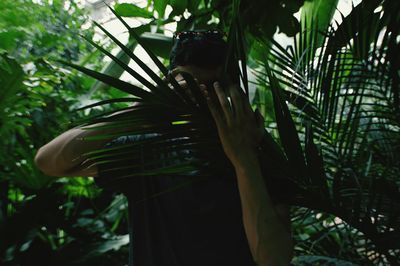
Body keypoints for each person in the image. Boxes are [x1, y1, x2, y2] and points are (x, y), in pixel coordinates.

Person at [35, 30, 293, 266]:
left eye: (214, 87)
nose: (203, 99)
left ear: (233, 91)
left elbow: (273, 260)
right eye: (190, 87)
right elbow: (49, 161)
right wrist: (143, 109)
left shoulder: (263, 157)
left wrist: (244, 160)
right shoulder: (148, 150)